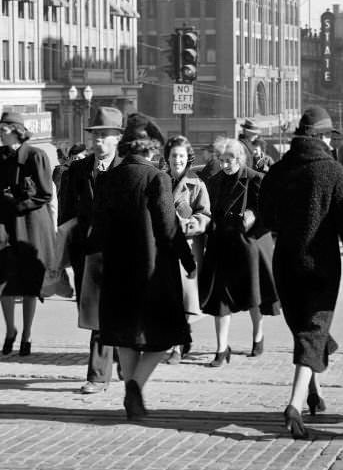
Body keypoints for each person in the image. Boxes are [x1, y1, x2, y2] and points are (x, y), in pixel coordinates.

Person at [259, 107, 343, 440]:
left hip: (285, 261)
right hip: (320, 263)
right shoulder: (333, 172)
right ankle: (294, 404)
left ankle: (313, 391)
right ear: (321, 138)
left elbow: (266, 217)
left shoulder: (278, 171)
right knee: (314, 328)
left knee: (305, 329)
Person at [90, 119, 191, 420]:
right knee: (163, 337)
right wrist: (188, 261)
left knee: (127, 338)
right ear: (153, 149)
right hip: (152, 272)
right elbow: (168, 227)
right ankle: (134, 386)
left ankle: (131, 396)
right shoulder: (156, 178)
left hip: (117, 272)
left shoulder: (108, 179)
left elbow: (99, 229)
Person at [59, 107, 125, 394]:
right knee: (95, 313)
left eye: (104, 136)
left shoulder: (129, 169)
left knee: (109, 313)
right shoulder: (77, 170)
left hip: (119, 252)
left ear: (117, 139)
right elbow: (65, 212)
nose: (97, 142)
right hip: (86, 252)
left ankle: (99, 374)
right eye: (95, 136)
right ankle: (118, 359)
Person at [198, 137, 278, 365]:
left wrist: (253, 216)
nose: (225, 165)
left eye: (230, 160)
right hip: (221, 245)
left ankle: (258, 336)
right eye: (222, 160)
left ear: (240, 158)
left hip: (247, 244)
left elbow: (269, 214)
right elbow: (207, 211)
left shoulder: (255, 179)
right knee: (220, 300)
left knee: (253, 296)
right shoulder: (214, 182)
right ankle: (222, 349)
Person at [0, 111, 55, 357]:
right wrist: (1, 210)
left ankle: (27, 334)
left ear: (16, 129)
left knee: (29, 283)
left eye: (2, 128)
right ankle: (10, 330)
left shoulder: (36, 156)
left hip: (32, 225)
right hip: (6, 225)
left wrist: (18, 203)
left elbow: (45, 193)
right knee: (3, 280)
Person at [163, 135, 211, 364]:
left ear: (188, 158)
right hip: (164, 248)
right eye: (174, 156)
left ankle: (177, 347)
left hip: (188, 247)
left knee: (185, 298)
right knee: (169, 298)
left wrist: (191, 223)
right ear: (168, 158)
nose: (177, 160)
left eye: (181, 156)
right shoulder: (160, 180)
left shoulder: (197, 184)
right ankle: (180, 339)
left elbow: (205, 214)